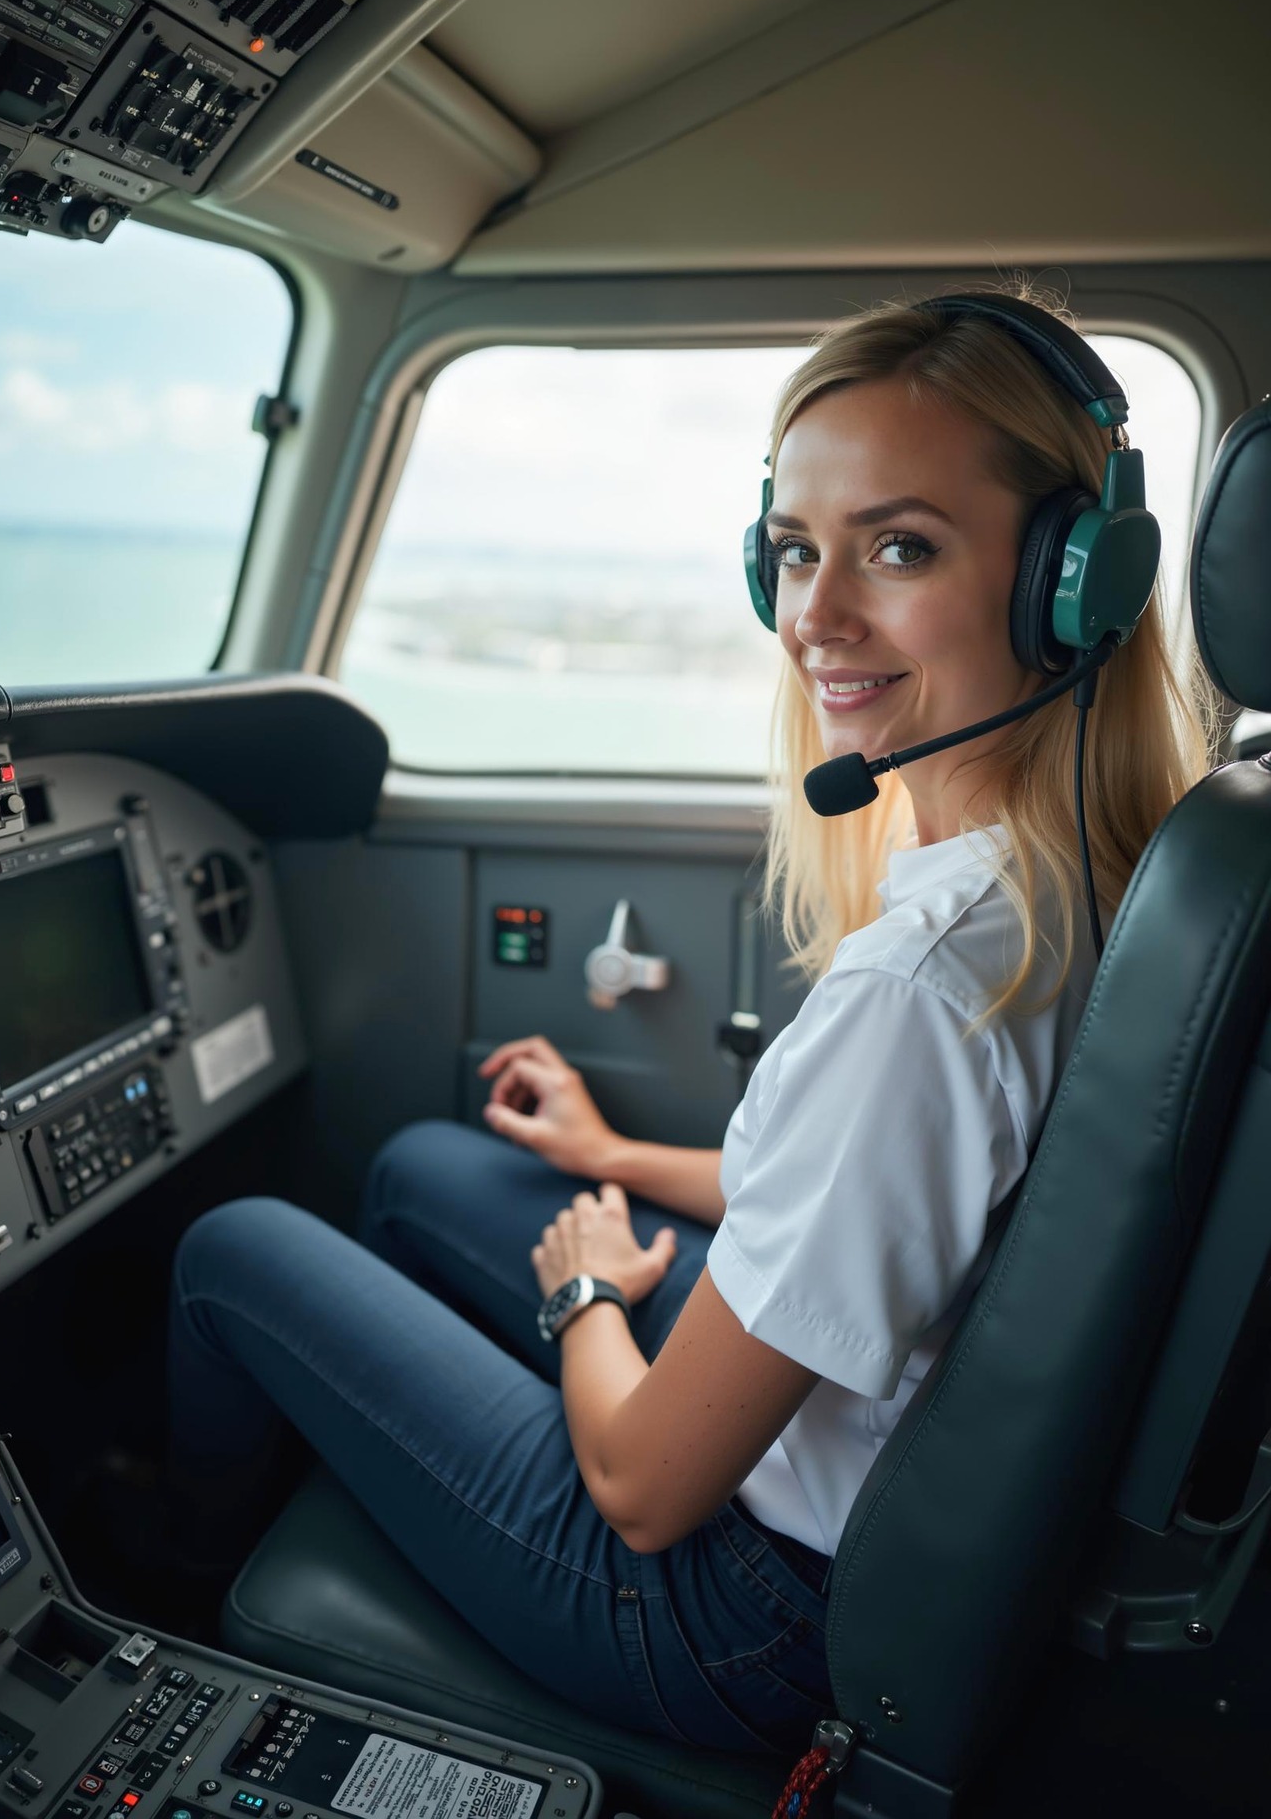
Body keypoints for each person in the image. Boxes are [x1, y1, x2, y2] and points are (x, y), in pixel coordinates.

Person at [167, 294, 1211, 1753]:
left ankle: (149, 1608)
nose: (815, 618)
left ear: (1072, 584)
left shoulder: (925, 990)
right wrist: (616, 1156)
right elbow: (877, 1204)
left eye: (898, 548)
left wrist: (585, 1295)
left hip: (729, 1611)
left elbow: (649, 1487)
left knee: (233, 1256)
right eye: (795, 552)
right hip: (837, 1481)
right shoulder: (1101, 884)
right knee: (419, 1167)